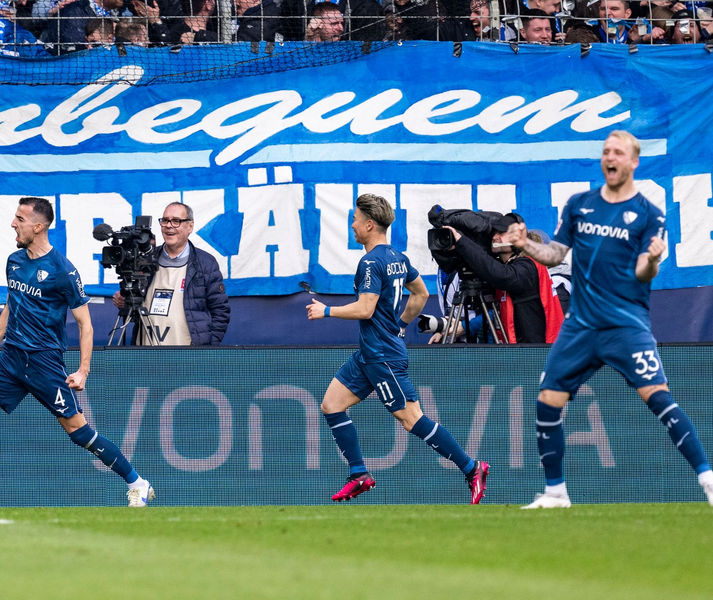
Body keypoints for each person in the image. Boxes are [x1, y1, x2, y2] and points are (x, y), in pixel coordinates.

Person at [507, 131, 713, 508]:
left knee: (659, 398)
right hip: (580, 326)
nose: (610, 157)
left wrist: (652, 258)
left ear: (634, 161)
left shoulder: (649, 215)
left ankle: (707, 478)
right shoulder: (579, 204)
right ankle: (556, 493)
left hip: (624, 325)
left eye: (618, 152)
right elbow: (554, 255)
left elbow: (642, 272)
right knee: (547, 401)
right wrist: (525, 246)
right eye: (605, 152)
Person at [0, 197, 155, 510]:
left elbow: (86, 326)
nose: (13, 224)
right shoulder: (14, 261)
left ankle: (138, 483)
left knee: (79, 433)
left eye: (20, 219)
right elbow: (11, 306)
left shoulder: (63, 271)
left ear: (38, 226)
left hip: (44, 363)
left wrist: (82, 370)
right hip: (10, 359)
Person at [306, 193, 490, 504]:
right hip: (370, 352)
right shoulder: (396, 257)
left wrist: (327, 311)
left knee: (411, 418)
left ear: (368, 224)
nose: (351, 225)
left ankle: (472, 468)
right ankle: (359, 473)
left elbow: (365, 309)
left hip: (382, 356)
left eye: (354, 219)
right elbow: (420, 293)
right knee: (331, 404)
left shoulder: (370, 261)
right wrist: (399, 323)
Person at [113, 202, 230, 346]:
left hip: (188, 357)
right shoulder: (145, 259)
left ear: (190, 226)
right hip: (145, 353)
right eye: (165, 220)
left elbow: (220, 311)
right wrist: (124, 301)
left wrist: (206, 349)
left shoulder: (205, 263)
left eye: (176, 221)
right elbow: (135, 302)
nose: (169, 225)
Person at [442, 213, 564, 344]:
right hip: (526, 350)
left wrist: (462, 242)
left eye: (501, 233)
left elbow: (499, 274)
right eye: (494, 234)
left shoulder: (528, 267)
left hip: (540, 353)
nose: (495, 238)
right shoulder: (512, 266)